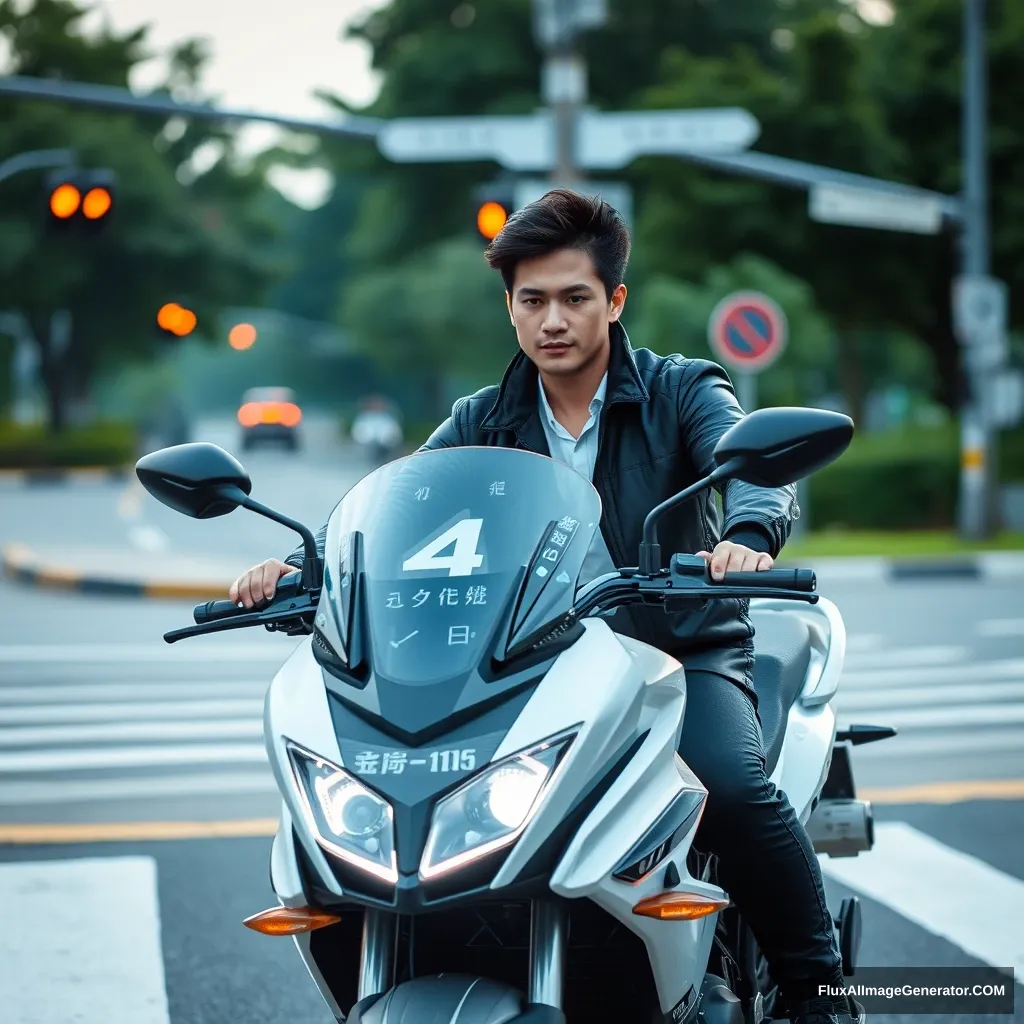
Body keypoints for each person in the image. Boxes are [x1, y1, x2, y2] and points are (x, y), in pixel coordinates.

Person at [229, 189, 860, 1024]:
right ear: (511, 308)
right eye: (533, 300)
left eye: (574, 297)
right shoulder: (483, 419)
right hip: (534, 668)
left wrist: (745, 530)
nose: (552, 320)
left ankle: (823, 996)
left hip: (675, 652)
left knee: (732, 790)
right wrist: (308, 565)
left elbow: (752, 471)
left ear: (614, 301)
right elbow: (399, 510)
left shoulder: (680, 391)